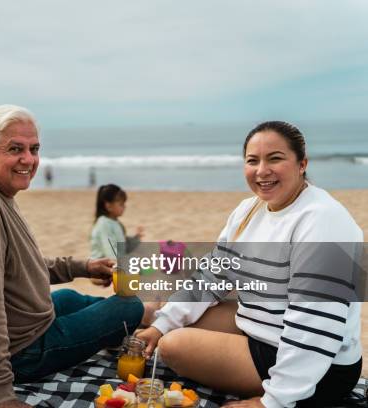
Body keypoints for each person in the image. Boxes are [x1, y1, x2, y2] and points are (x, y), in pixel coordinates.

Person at [137, 121, 363, 408]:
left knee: (173, 345)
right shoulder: (248, 209)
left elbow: (316, 324)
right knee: (165, 325)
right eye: (252, 161)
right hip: (264, 327)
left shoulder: (323, 220)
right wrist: (163, 324)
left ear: (302, 163)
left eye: (275, 158)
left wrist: (273, 402)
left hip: (323, 368)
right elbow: (212, 276)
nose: (262, 171)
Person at [0, 105, 145, 408]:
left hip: (24, 324)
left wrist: (83, 267)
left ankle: (130, 325)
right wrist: (1, 395)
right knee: (130, 305)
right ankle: (135, 322)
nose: (29, 160)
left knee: (71, 297)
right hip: (20, 353)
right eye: (15, 149)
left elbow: (21, 268)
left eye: (34, 149)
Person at [90, 184, 144, 260]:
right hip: (103, 267)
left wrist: (136, 238)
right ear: (108, 206)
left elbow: (123, 244)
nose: (124, 206)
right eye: (121, 204)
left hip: (117, 263)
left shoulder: (116, 222)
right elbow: (110, 253)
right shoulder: (104, 224)